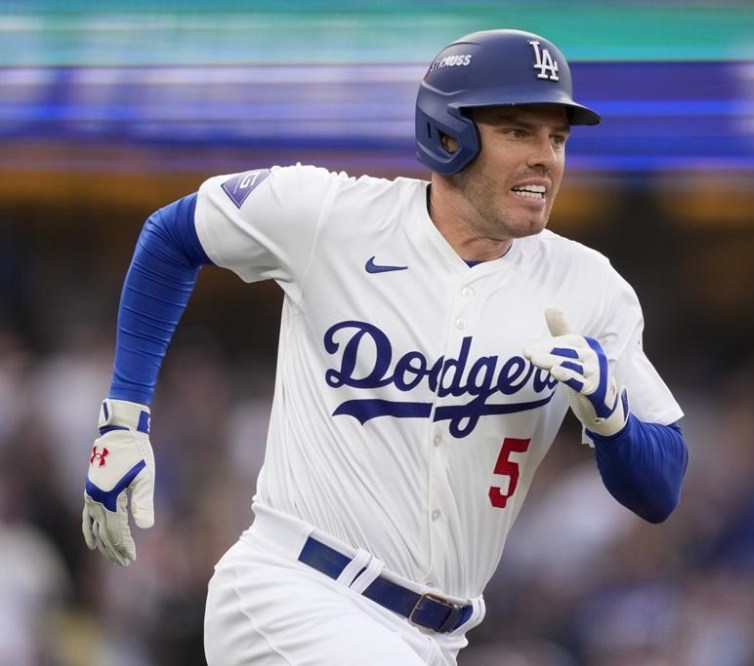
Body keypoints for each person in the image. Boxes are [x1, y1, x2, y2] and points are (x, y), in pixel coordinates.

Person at [81, 28, 689, 665]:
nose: (546, 157)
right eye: (517, 131)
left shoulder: (587, 287)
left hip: (435, 639)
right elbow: (173, 234)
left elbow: (662, 487)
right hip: (291, 592)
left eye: (557, 138)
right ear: (447, 133)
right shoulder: (331, 214)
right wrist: (124, 415)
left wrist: (612, 419)